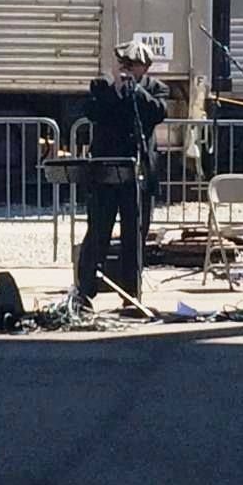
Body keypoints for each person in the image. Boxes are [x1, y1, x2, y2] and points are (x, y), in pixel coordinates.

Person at [76, 41, 169, 304]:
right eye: (123, 64)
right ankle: (85, 292)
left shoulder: (156, 89)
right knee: (98, 233)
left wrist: (135, 89)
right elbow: (92, 112)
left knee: (135, 236)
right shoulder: (101, 86)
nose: (127, 69)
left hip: (138, 173)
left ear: (145, 68)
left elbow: (157, 113)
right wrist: (116, 87)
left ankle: (131, 295)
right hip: (106, 172)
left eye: (133, 65)